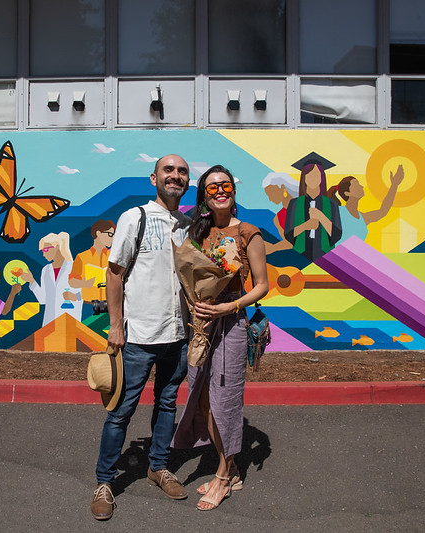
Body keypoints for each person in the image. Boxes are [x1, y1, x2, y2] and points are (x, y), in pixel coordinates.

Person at [91, 154, 192, 521]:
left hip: (178, 334)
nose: (175, 176)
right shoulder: (135, 217)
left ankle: (158, 467)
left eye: (182, 172)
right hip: (138, 335)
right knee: (120, 411)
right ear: (154, 178)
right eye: (169, 170)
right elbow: (114, 273)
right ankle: (104, 481)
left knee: (167, 404)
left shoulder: (188, 224)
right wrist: (116, 326)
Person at [170, 165, 269, 511]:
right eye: (212, 188)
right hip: (203, 325)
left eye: (225, 185)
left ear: (234, 191)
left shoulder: (248, 234)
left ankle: (223, 477)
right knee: (202, 400)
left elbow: (262, 285)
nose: (220, 191)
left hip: (232, 325)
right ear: (204, 197)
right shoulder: (199, 233)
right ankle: (233, 466)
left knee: (225, 400)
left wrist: (231, 308)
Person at [328, 164, 404, 247]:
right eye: (356, 185)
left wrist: (394, 185)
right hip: (339, 256)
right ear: (347, 193)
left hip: (354, 256)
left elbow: (383, 211)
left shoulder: (362, 218)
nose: (361, 186)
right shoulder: (339, 212)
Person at [283, 160, 342, 263]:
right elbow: (288, 234)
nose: (313, 179)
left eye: (316, 175)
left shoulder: (331, 204)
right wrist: (306, 226)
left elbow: (337, 234)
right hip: (300, 256)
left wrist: (321, 217)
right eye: (309, 175)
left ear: (322, 178)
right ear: (304, 178)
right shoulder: (295, 204)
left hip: (326, 257)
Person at [21, 232, 83, 327]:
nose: (43, 254)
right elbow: (43, 299)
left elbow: (86, 294)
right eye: (42, 251)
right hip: (49, 323)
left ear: (57, 247)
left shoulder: (75, 267)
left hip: (70, 321)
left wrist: (74, 297)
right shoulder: (46, 270)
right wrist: (32, 281)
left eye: (45, 250)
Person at [69, 219, 116, 305]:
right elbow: (72, 281)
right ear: (98, 233)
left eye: (113, 235)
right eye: (110, 234)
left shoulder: (113, 257)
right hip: (88, 304)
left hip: (111, 304)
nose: (112, 238)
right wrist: (84, 283)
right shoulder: (82, 257)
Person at [261, 172, 299, 254]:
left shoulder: (303, 205)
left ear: (282, 188)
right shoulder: (278, 218)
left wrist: (273, 248)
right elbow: (290, 242)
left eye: (271, 194)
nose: (270, 199)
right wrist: (272, 248)